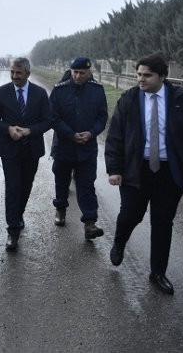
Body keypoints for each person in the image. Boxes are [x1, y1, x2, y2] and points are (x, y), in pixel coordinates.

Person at [105, 54, 183, 295]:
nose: (140, 79)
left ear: (162, 77)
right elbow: (115, 137)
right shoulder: (130, 99)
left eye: (146, 75)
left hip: (169, 172)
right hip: (137, 170)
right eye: (138, 75)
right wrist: (114, 169)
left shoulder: (181, 100)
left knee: (163, 223)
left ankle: (158, 273)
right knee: (131, 215)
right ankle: (120, 242)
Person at [0, 57, 52, 250]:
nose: (15, 76)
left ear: (28, 74)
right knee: (13, 188)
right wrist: (8, 129)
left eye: (19, 73)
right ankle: (13, 231)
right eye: (12, 73)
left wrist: (30, 130)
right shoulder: (2, 92)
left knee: (25, 187)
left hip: (32, 150)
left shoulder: (40, 94)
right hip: (10, 151)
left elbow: (48, 121)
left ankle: (18, 214)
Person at [49, 57, 108, 239]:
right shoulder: (59, 91)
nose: (78, 76)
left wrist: (91, 133)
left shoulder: (97, 91)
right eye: (75, 72)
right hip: (64, 147)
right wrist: (71, 134)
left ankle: (90, 223)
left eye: (82, 73)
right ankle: (61, 209)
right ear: (70, 71)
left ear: (89, 73)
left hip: (87, 148)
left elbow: (102, 117)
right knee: (62, 181)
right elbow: (52, 117)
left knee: (87, 185)